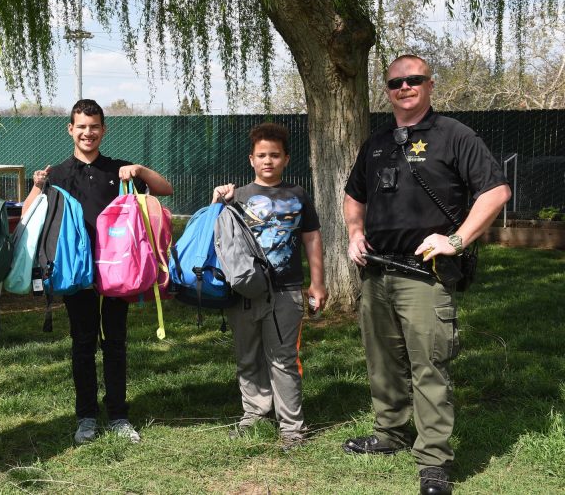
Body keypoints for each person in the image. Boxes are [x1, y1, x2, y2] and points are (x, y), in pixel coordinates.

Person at [342, 55, 511, 495]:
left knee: (428, 367)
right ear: (387, 90)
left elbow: (496, 191)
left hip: (425, 274)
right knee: (382, 362)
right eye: (396, 82)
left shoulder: (455, 135)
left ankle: (433, 459)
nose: (405, 88)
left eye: (413, 80)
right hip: (376, 272)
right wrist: (355, 232)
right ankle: (389, 434)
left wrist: (456, 240)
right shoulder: (376, 143)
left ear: (430, 85)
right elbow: (353, 195)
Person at [22, 99, 173, 444]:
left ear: (103, 130)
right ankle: (86, 417)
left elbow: (165, 189)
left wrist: (139, 170)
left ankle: (119, 415)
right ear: (70, 129)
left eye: (94, 127)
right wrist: (36, 185)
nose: (88, 133)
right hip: (77, 273)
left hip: (117, 271)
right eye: (81, 126)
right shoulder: (58, 174)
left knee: (116, 342)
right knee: (83, 344)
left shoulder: (118, 169)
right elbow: (28, 215)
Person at [211, 122, 326, 452]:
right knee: (247, 357)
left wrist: (317, 283)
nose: (268, 161)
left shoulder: (298, 195)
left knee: (283, 359)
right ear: (251, 159)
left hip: (287, 291)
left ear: (286, 159)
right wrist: (218, 197)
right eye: (261, 155)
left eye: (275, 155)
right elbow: (218, 235)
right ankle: (255, 417)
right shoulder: (238, 197)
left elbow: (312, 238)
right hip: (244, 293)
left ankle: (292, 426)